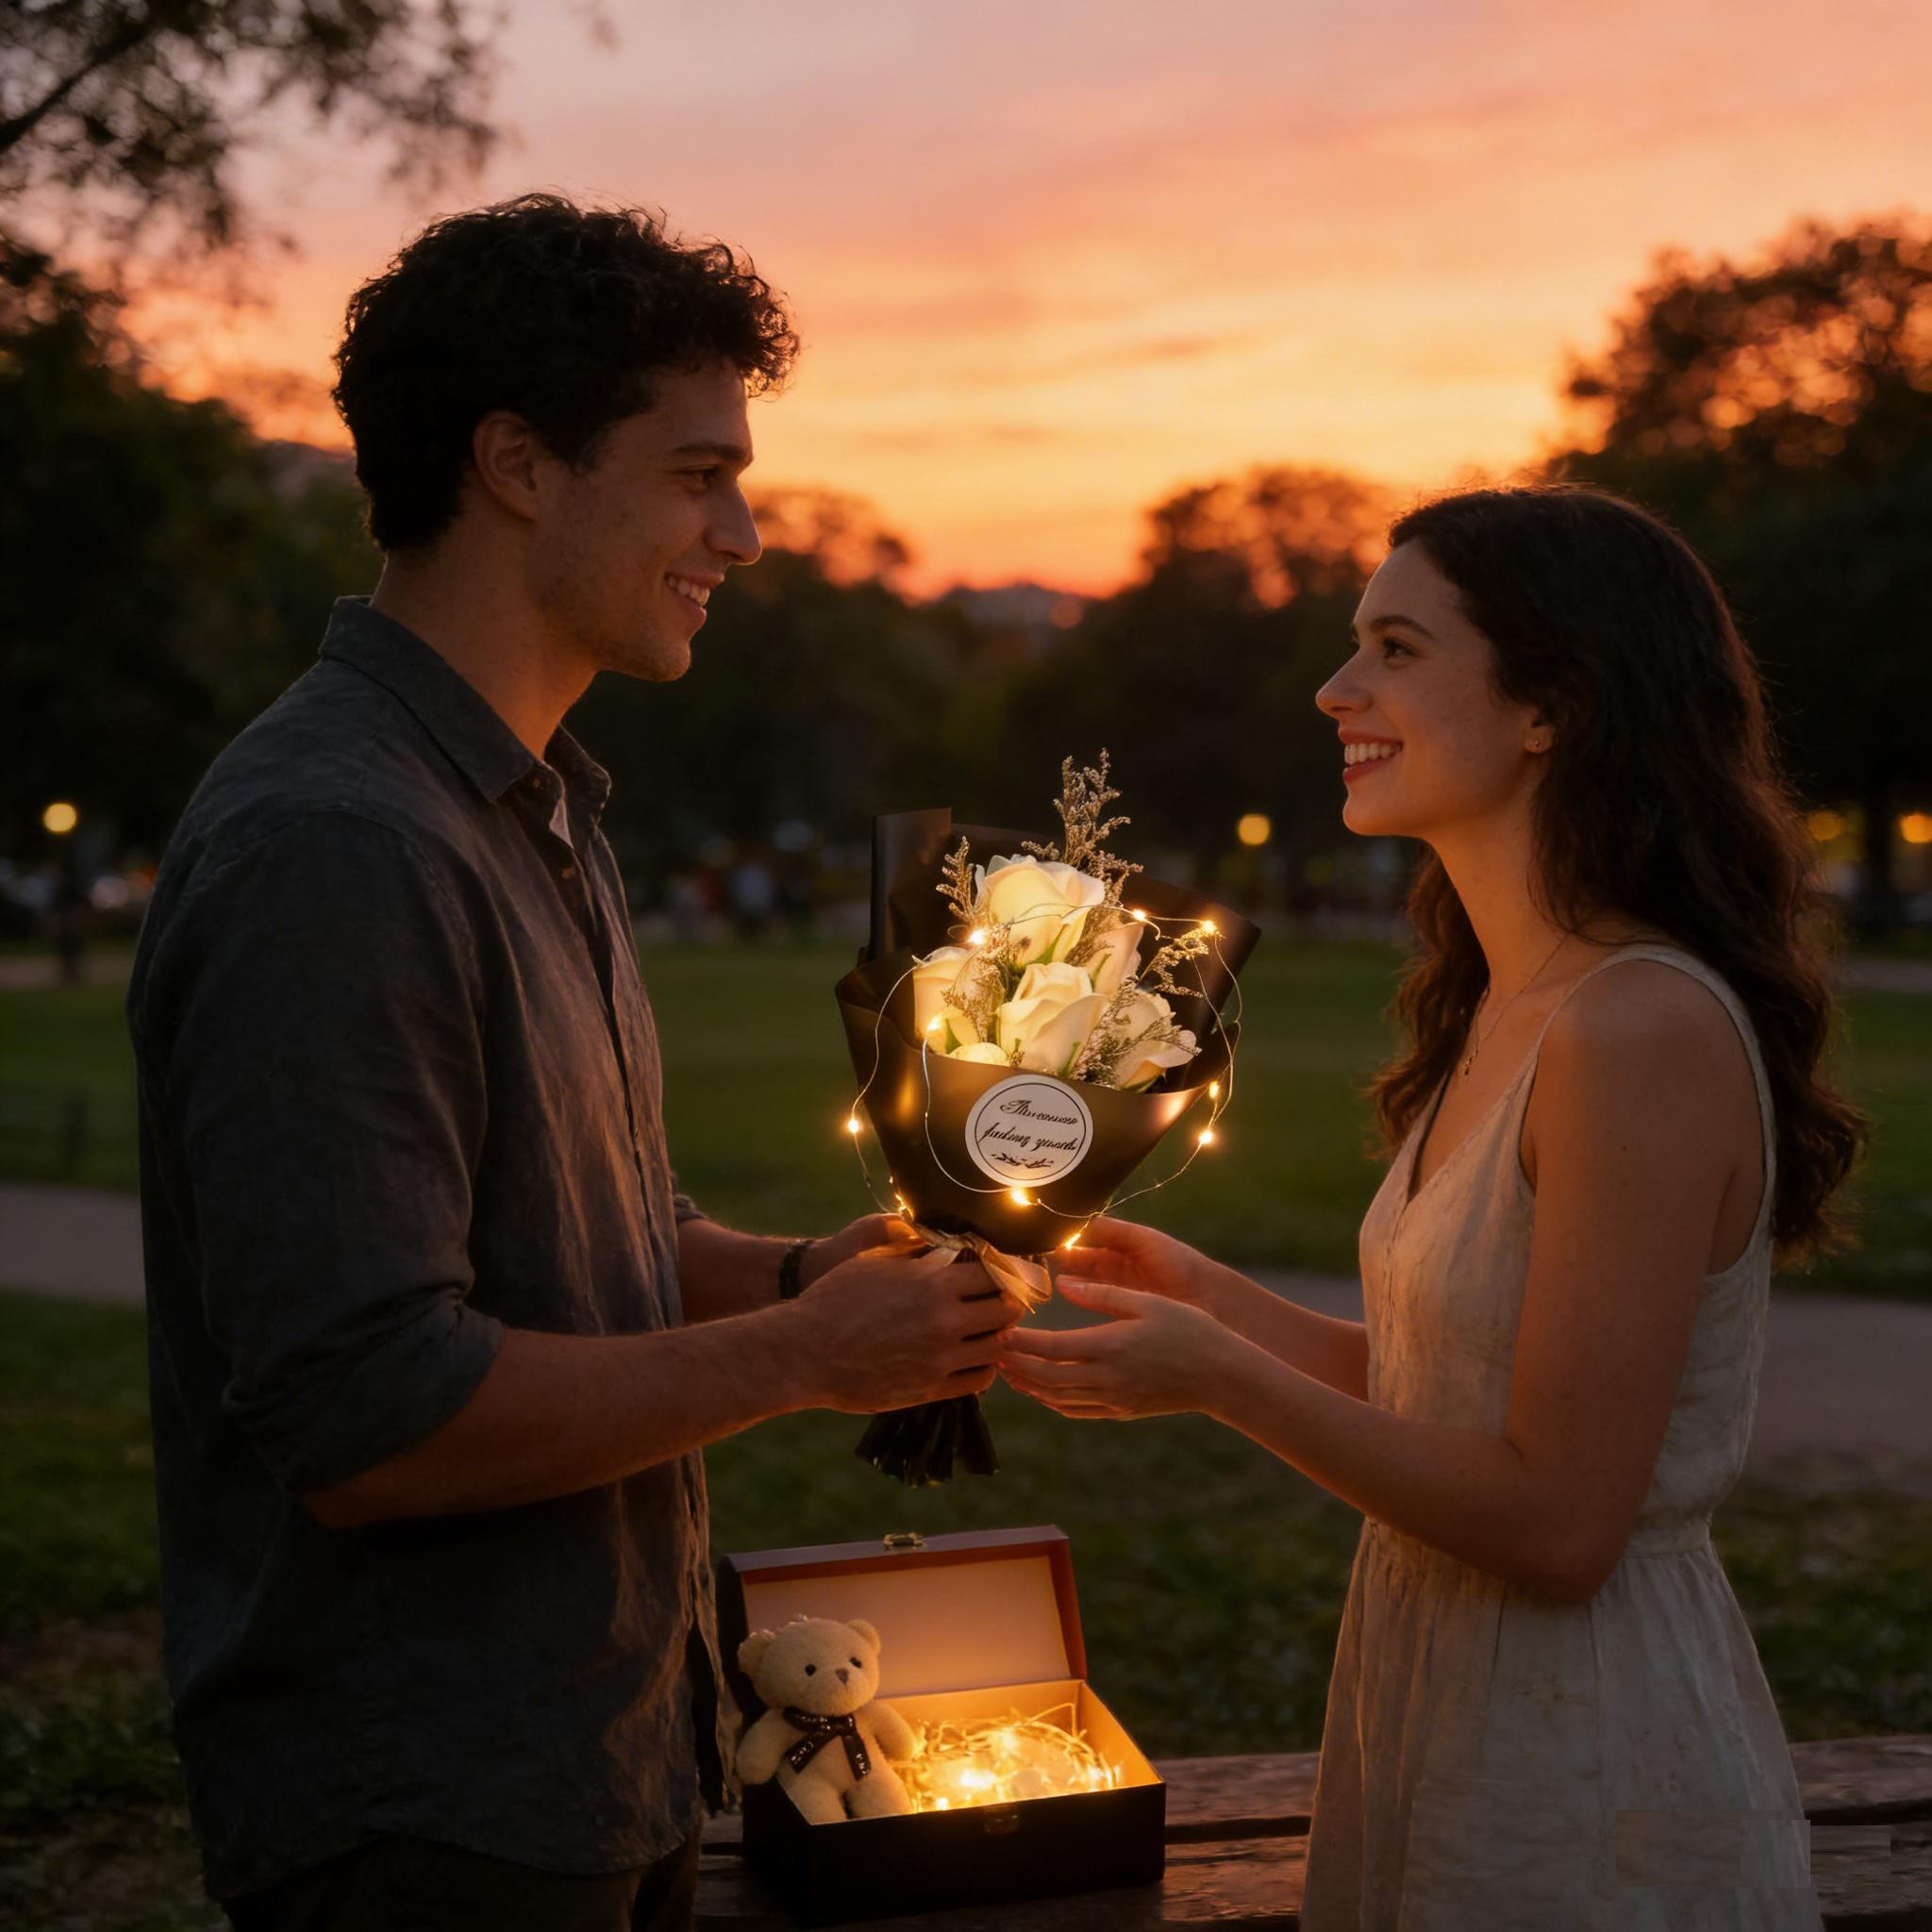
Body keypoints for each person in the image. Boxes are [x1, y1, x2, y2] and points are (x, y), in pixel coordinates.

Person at [127, 195, 1019, 1932]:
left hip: (601, 1756)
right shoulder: (338, 844)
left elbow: (594, 1239)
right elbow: (373, 1422)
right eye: (698, 475)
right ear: (519, 464)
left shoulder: (533, 804)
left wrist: (801, 1274)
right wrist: (806, 1356)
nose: (741, 535)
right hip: (429, 1809)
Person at [998, 485, 1865, 1927]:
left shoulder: (1636, 1026)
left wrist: (1221, 1382)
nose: (1337, 689)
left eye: (1396, 649)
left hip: (1584, 1758)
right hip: (1441, 1700)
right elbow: (1455, 1396)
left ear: (1552, 707)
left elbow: (1559, 1524)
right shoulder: (1511, 1002)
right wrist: (1216, 1304)